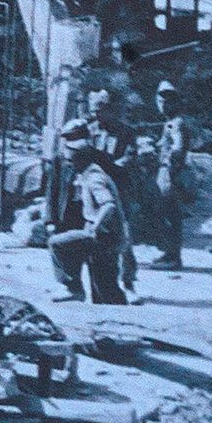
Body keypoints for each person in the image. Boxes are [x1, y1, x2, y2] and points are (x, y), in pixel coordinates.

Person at [47, 119, 129, 304]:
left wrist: (99, 225)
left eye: (73, 138)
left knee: (102, 275)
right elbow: (52, 191)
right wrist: (50, 219)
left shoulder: (96, 166)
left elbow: (111, 200)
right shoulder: (63, 159)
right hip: (73, 216)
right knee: (68, 252)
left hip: (98, 224)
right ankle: (74, 288)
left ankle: (113, 304)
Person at [86, 88, 138, 290]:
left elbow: (130, 157)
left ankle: (128, 281)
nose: (97, 115)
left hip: (118, 188)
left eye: (101, 110)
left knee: (124, 236)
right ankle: (100, 284)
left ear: (110, 110)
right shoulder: (90, 131)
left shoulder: (125, 132)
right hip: (95, 189)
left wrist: (112, 166)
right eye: (94, 111)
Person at [150, 80, 190, 270]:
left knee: (170, 215)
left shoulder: (177, 123)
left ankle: (173, 257)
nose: (163, 105)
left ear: (176, 102)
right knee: (166, 215)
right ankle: (169, 253)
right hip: (167, 172)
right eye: (160, 101)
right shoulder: (170, 122)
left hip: (170, 173)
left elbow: (179, 147)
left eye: (168, 101)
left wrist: (169, 159)